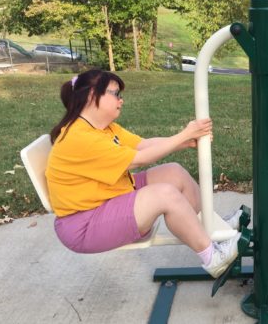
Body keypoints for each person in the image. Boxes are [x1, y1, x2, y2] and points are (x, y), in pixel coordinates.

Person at [45, 69, 241, 278]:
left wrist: (184, 141)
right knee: (164, 194)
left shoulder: (102, 128)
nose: (121, 100)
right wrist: (185, 133)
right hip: (84, 225)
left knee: (173, 172)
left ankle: (211, 224)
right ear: (93, 95)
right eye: (115, 94)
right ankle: (213, 258)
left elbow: (143, 145)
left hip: (106, 199)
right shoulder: (80, 137)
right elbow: (140, 159)